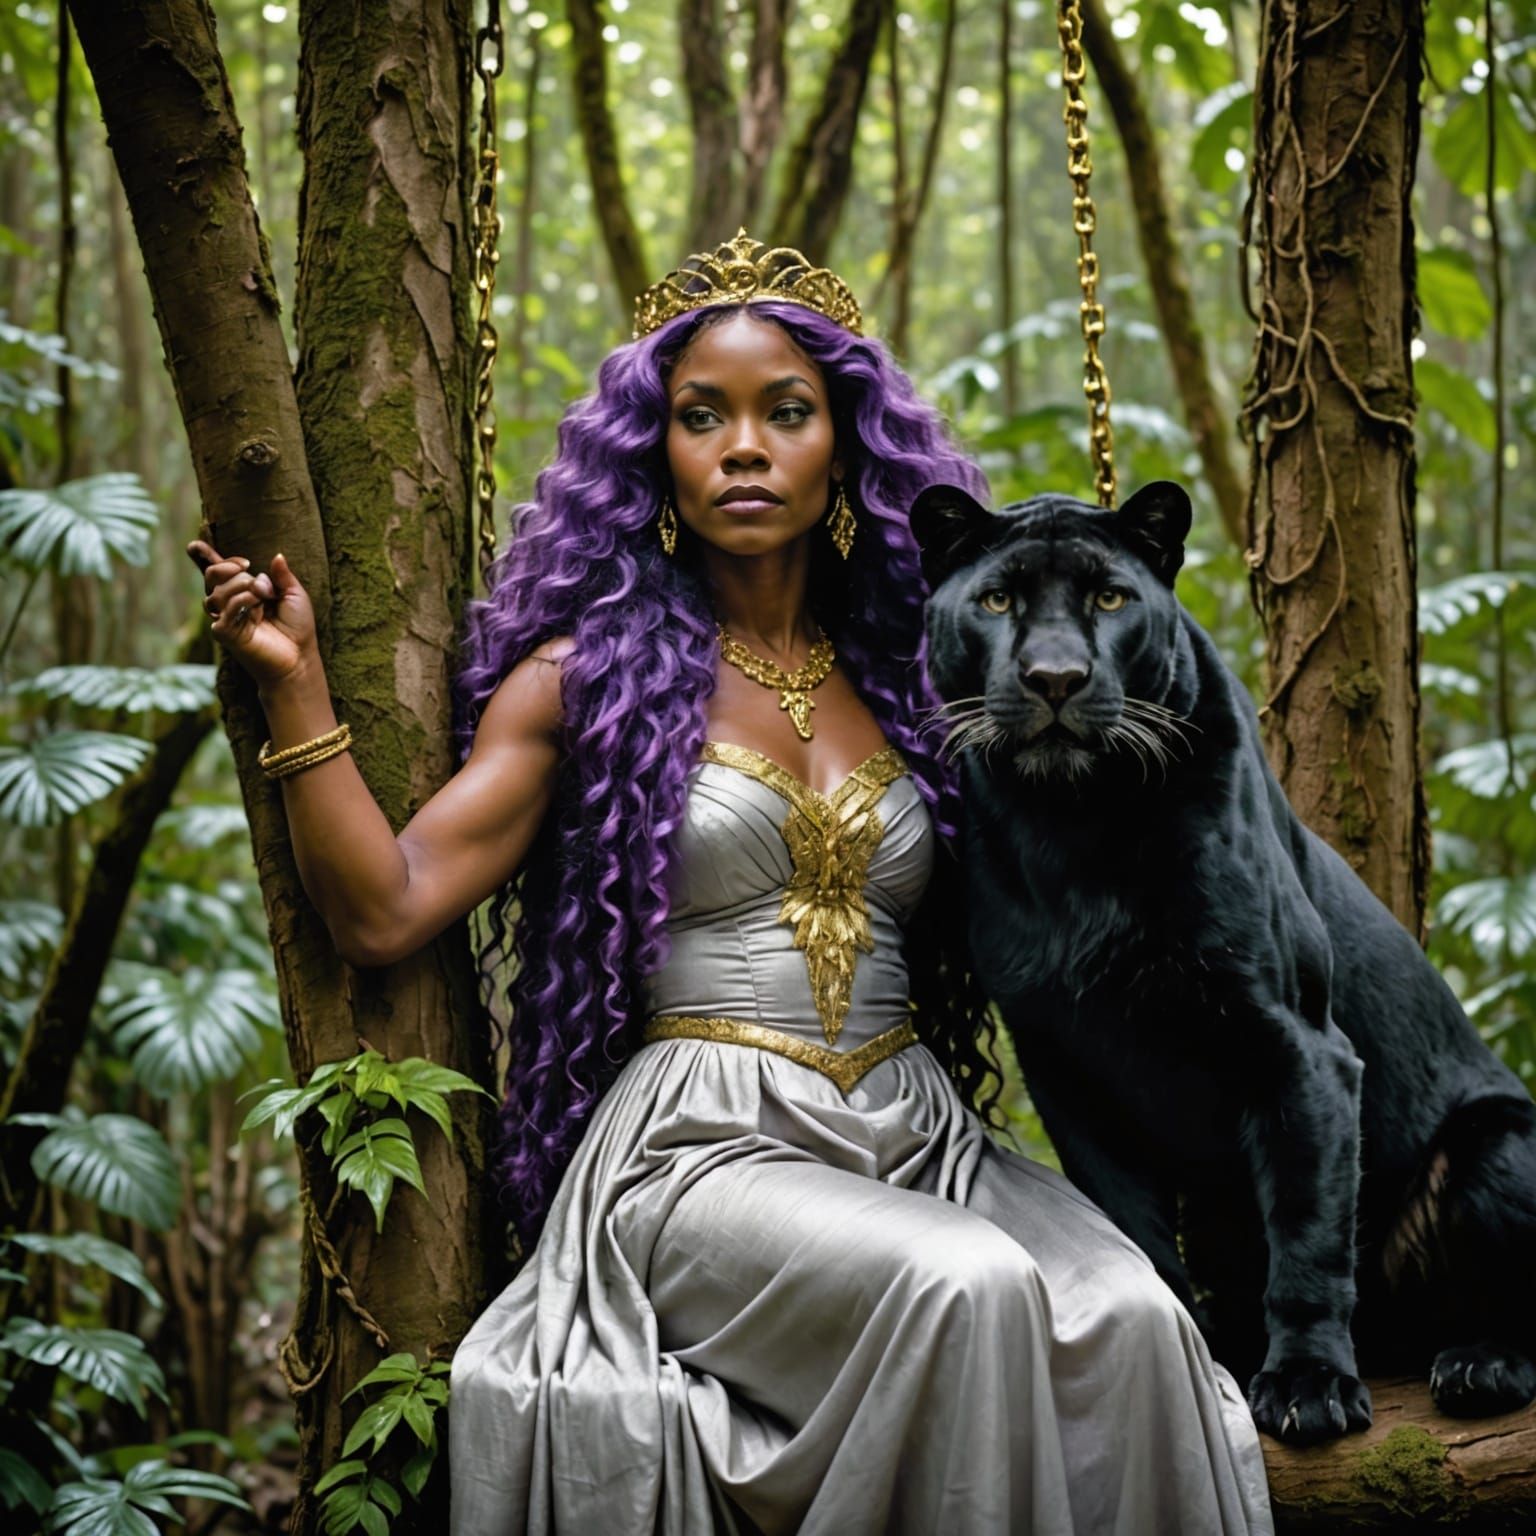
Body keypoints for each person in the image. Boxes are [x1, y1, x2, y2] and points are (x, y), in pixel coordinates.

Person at [189, 230, 1273, 1535]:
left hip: (917, 1131)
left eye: (785, 413)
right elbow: (384, 908)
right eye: (702, 417)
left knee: (1138, 1318)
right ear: (657, 454)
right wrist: (292, 683)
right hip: (700, 1148)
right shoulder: (586, 680)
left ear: (844, 449)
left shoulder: (922, 688)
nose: (743, 446)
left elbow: (1092, 866)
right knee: (968, 1291)